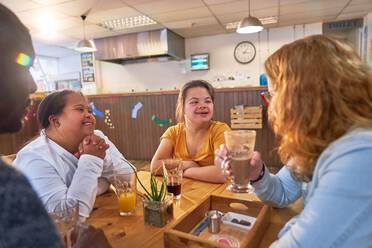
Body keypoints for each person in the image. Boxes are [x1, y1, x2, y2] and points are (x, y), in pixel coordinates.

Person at [216, 35, 372, 247]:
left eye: (272, 95)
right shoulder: (319, 141)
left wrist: (294, 225)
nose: (271, 108)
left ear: (302, 96)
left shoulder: (359, 155)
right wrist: (258, 174)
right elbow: (282, 192)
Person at [0, 3, 110, 248]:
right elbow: (69, 215)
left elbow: (116, 179)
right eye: (22, 66)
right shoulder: (11, 179)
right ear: (54, 120)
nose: (33, 85)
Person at [14, 89, 134, 219]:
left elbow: (129, 180)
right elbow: (67, 217)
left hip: (99, 217)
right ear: (55, 121)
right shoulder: (34, 158)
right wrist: (91, 159)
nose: (89, 115)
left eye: (89, 111)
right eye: (80, 109)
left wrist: (103, 159)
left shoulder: (96, 139)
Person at [151, 80, 230, 183]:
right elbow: (155, 167)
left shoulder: (220, 130)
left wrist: (186, 171)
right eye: (195, 102)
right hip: (186, 193)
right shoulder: (173, 132)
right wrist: (185, 164)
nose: (203, 105)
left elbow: (222, 174)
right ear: (183, 107)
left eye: (207, 101)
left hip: (217, 196)